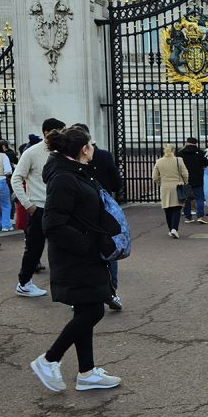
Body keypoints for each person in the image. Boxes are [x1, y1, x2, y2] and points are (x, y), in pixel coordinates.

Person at [31, 126, 122, 392]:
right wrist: (86, 245)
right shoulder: (64, 177)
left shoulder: (74, 172)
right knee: (93, 310)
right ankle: (49, 359)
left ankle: (87, 372)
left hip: (84, 254)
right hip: (76, 257)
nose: (94, 148)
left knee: (87, 309)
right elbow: (53, 224)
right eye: (91, 144)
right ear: (84, 149)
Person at [11, 118, 65, 298]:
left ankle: (66, 284)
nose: (61, 134)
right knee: (35, 247)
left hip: (59, 206)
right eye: (57, 131)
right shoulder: (32, 152)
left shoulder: (63, 151)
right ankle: (24, 282)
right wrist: (28, 205)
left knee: (64, 246)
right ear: (46, 132)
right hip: (39, 207)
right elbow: (16, 178)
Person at [73, 124, 124, 310]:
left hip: (79, 211)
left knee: (83, 251)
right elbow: (117, 182)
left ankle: (80, 294)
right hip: (103, 207)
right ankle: (112, 292)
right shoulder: (104, 156)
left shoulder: (67, 163)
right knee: (109, 248)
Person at [152, 144, 189, 239]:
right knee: (177, 208)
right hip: (177, 186)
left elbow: (154, 177)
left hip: (164, 187)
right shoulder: (178, 160)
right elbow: (185, 173)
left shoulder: (159, 161)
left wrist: (161, 183)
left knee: (167, 208)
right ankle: (174, 229)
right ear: (174, 150)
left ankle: (170, 229)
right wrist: (185, 182)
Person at [177, 137, 208, 224]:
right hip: (197, 178)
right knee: (199, 198)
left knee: (187, 198)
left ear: (187, 142)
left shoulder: (180, 153)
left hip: (185, 178)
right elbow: (205, 163)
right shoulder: (200, 152)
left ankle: (188, 217)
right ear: (196, 143)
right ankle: (200, 216)